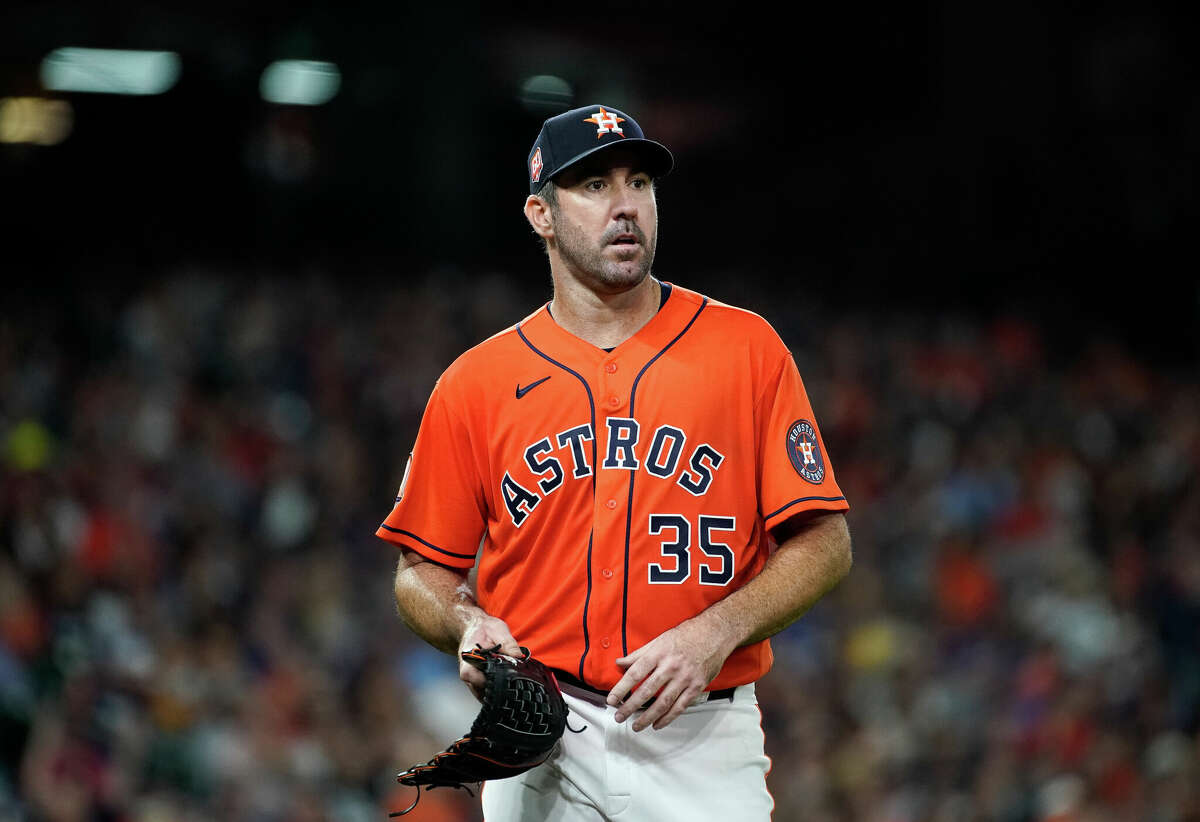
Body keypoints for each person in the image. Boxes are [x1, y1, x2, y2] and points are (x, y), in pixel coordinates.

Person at [377, 103, 853, 820]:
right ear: (541, 214)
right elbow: (419, 571)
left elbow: (826, 543)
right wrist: (465, 622)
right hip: (541, 735)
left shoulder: (746, 350)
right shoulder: (476, 381)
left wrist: (714, 632)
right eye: (594, 186)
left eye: (639, 183)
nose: (625, 205)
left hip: (700, 733)